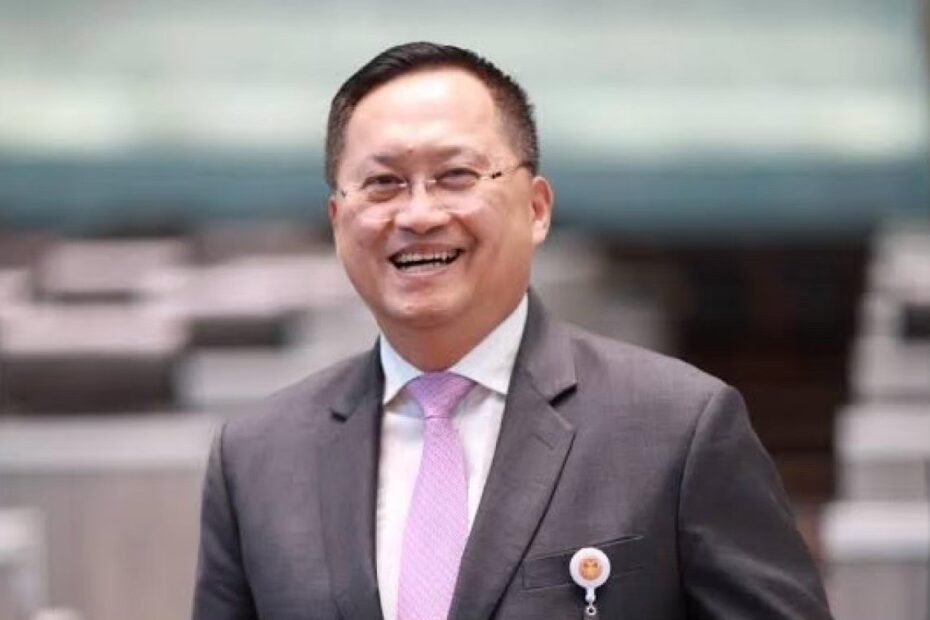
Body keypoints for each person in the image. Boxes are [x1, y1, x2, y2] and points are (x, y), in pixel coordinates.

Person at [192, 42, 833, 620]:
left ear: (536, 208)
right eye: (383, 184)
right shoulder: (256, 459)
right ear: (338, 220)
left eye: (455, 176)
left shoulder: (677, 429)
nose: (418, 214)